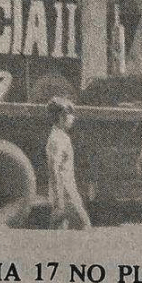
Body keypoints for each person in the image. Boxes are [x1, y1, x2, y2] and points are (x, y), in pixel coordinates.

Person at [45, 97, 91, 230]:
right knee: (84, 225)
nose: (73, 118)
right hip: (65, 193)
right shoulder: (57, 138)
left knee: (61, 231)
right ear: (61, 116)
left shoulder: (61, 136)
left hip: (67, 191)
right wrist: (58, 199)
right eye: (70, 114)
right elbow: (54, 168)